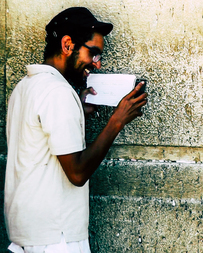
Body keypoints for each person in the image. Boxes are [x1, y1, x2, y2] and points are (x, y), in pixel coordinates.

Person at [4, 7, 147, 252]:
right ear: (68, 44)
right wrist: (117, 121)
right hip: (56, 239)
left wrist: (77, 109)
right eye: (93, 53)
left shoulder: (24, 87)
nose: (97, 64)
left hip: (26, 234)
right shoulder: (58, 92)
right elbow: (77, 174)